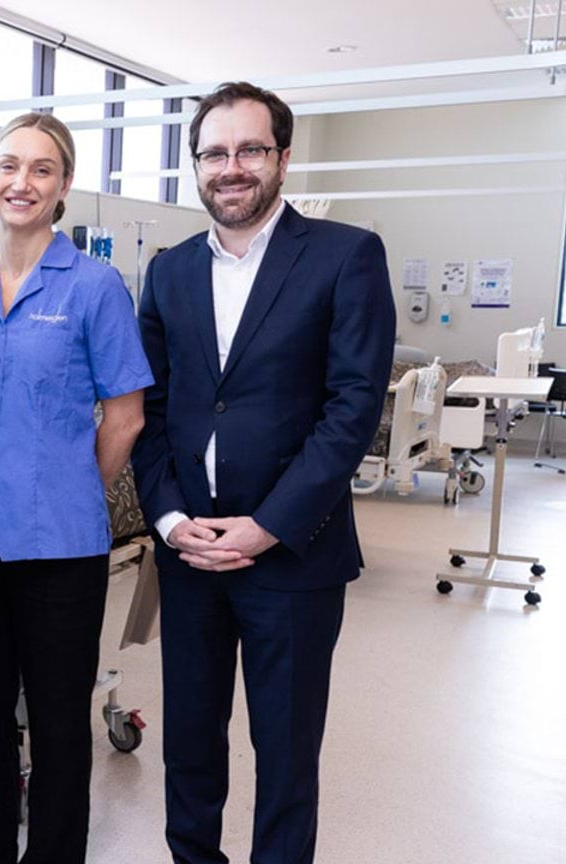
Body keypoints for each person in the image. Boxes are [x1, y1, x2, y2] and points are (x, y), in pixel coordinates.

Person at [129, 81, 395, 864]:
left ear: (282, 157)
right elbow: (151, 406)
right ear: (196, 166)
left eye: (250, 149)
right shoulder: (169, 271)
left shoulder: (345, 256)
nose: (232, 167)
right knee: (189, 743)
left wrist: (269, 525)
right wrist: (170, 519)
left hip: (293, 556)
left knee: (284, 752)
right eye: (214, 153)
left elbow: (352, 409)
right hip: (190, 551)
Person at [0, 111, 152, 864]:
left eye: (40, 169)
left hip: (62, 546)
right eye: (8, 165)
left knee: (60, 725)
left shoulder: (95, 287)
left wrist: (68, 486)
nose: (21, 182)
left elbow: (125, 417)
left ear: (63, 185)